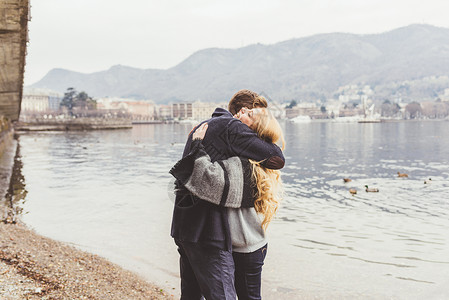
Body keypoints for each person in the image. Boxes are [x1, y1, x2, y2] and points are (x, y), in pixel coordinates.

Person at [170, 90, 285, 300]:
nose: (254, 135)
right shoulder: (232, 127)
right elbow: (277, 158)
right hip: (208, 234)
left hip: (183, 228)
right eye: (256, 123)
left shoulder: (204, 127)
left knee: (191, 296)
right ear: (243, 112)